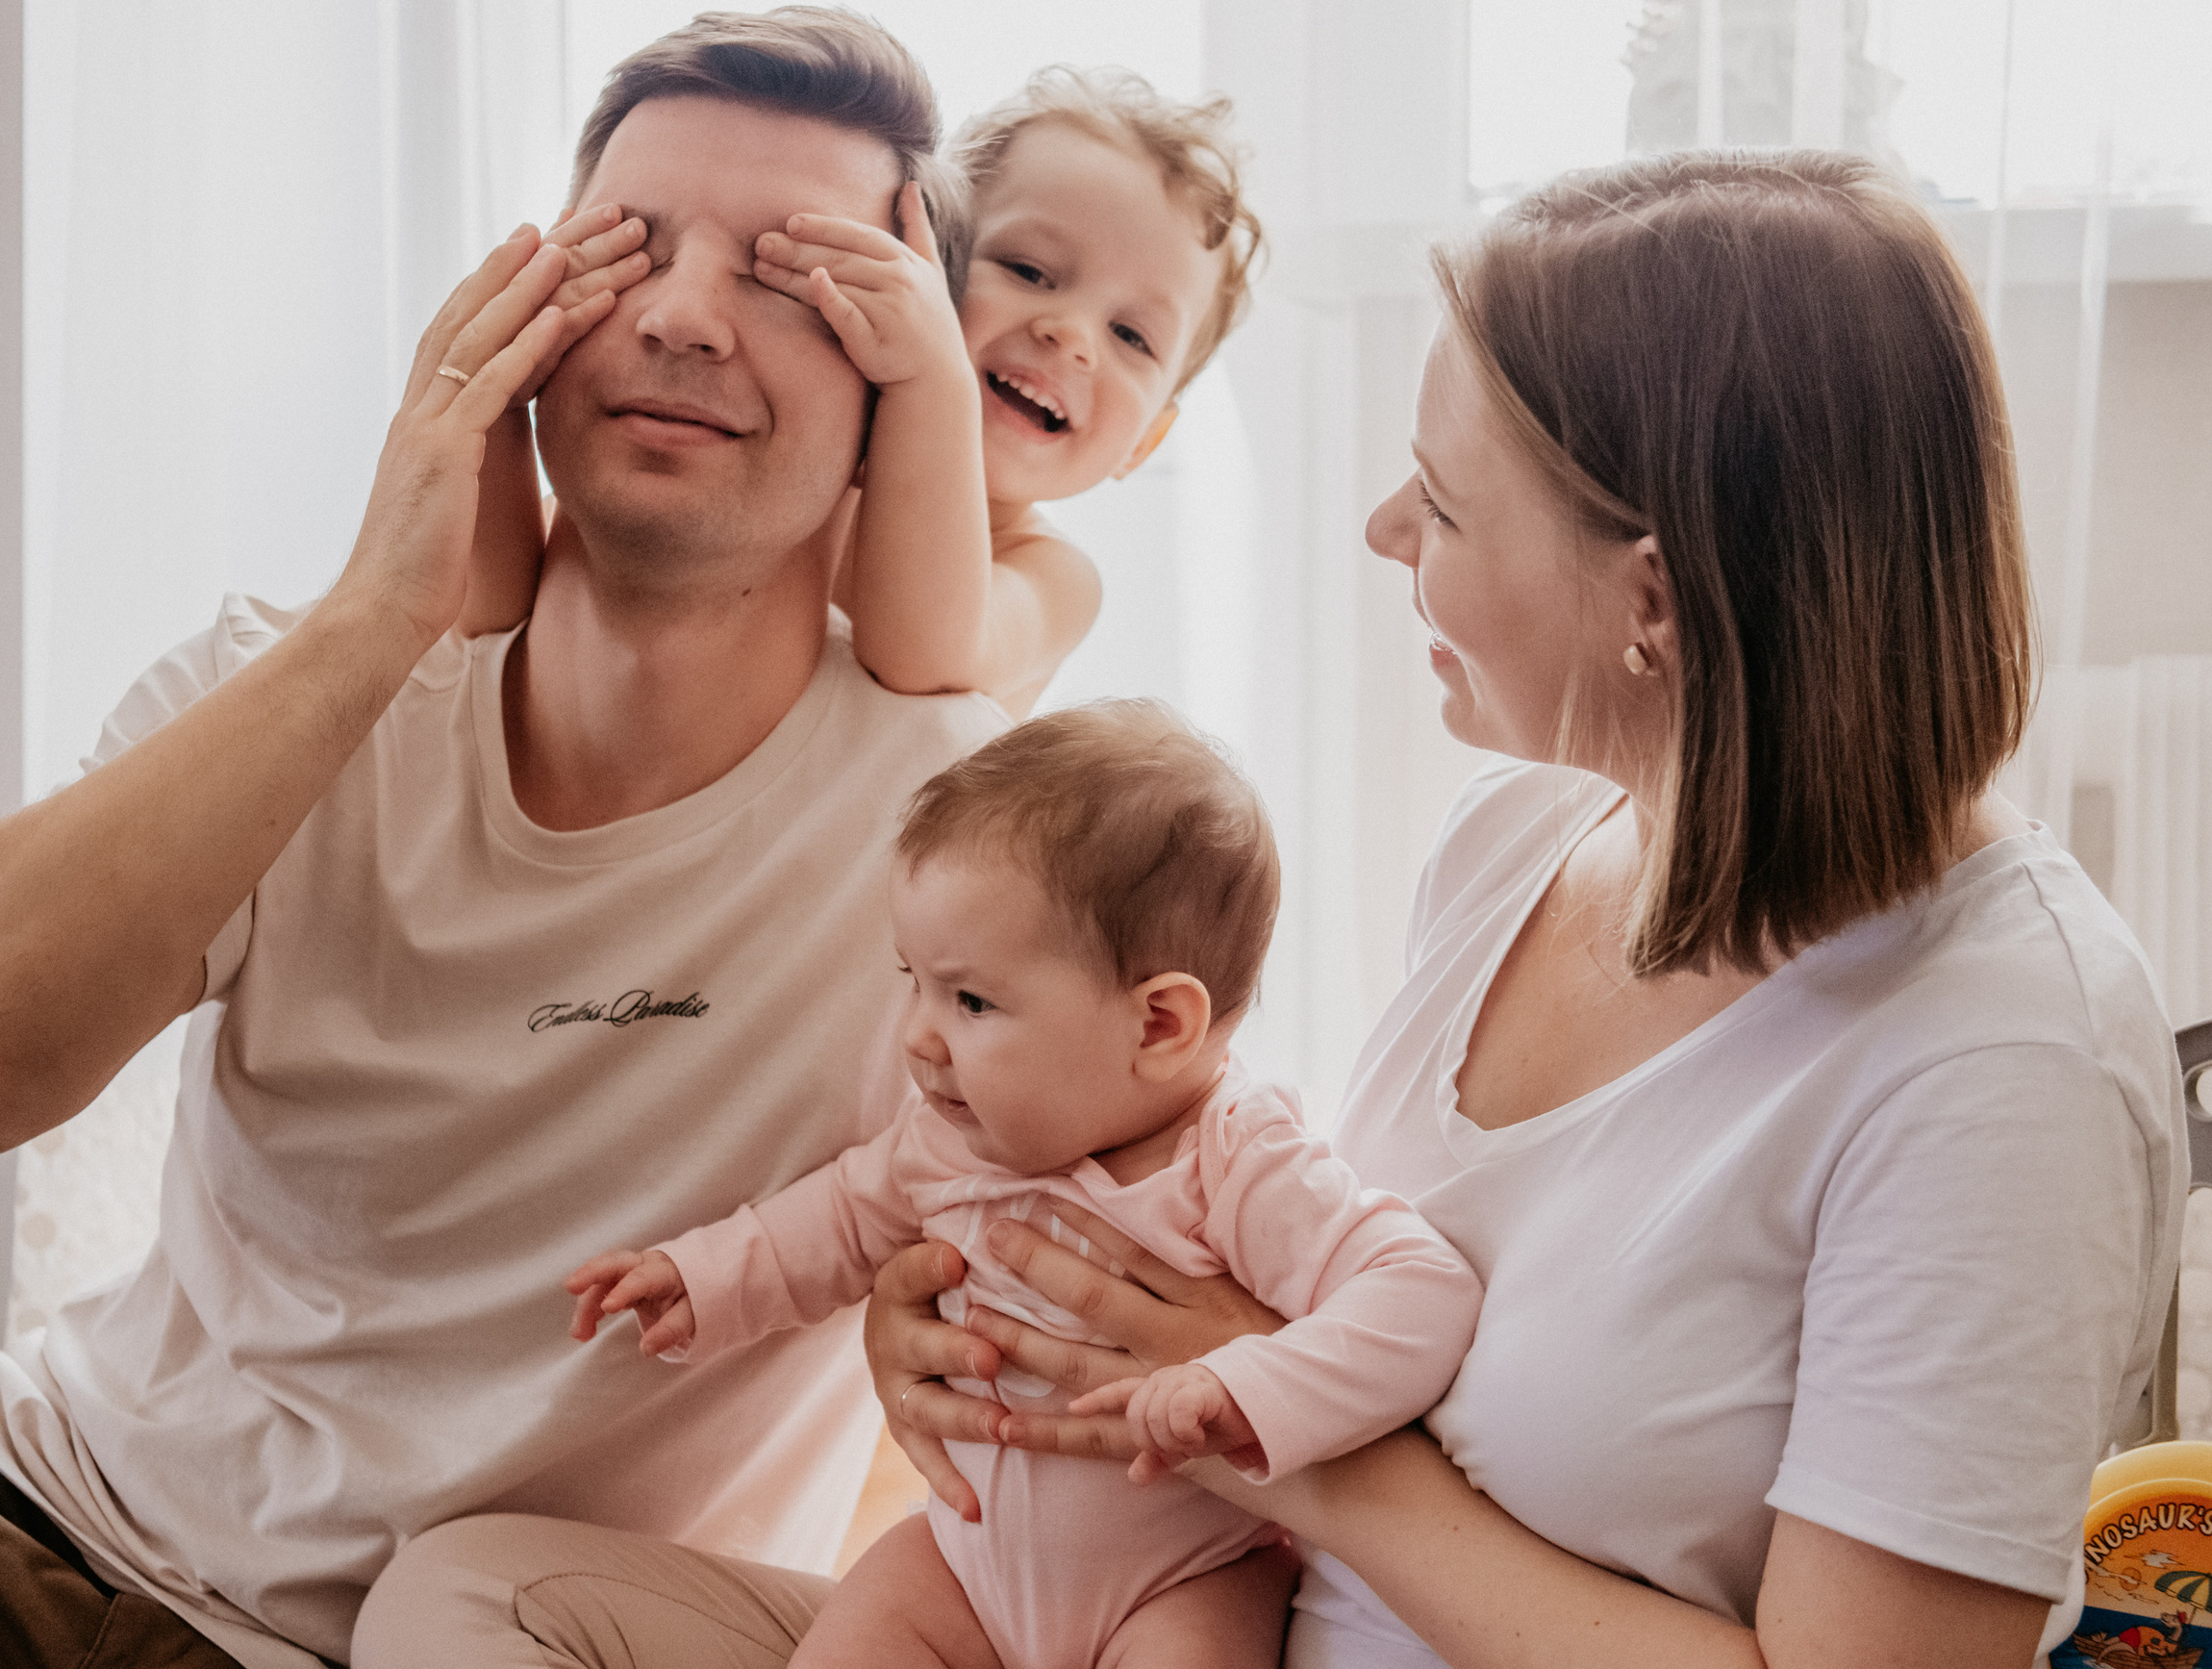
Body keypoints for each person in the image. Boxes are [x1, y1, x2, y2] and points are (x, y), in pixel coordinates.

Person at [0, 13, 1005, 1668]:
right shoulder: (297, 681)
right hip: (3, 1513)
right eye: (625, 252)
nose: (685, 319)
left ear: (897, 393)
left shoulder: (971, 846)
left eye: (794, 277)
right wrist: (372, 620)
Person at [856, 152, 2187, 1669]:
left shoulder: (2003, 1065)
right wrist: (988, 1337)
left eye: (1442, 503)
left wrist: (1307, 1450)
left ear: (1655, 603)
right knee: (527, 1588)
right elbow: (1279, 1269)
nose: (1381, 532)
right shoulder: (1525, 835)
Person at [351, 702, 1479, 1668]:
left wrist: (1255, 1387)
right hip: (965, 1561)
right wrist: (702, 1276)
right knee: (859, 1633)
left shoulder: (1237, 1163)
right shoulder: (950, 1143)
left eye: (970, 1001)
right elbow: (836, 1216)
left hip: (1183, 1577)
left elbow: (1417, 1292)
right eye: (913, 983)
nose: (919, 1040)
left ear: (1159, 1022)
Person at [464, 68, 1265, 721]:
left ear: (1146, 442)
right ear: (917, 265)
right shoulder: (796, 470)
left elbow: (920, 652)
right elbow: (482, 610)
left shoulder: (1052, 574)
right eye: (1027, 271)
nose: (1073, 335)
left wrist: (933, 385)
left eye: (1133, 337)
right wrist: (499, 394)